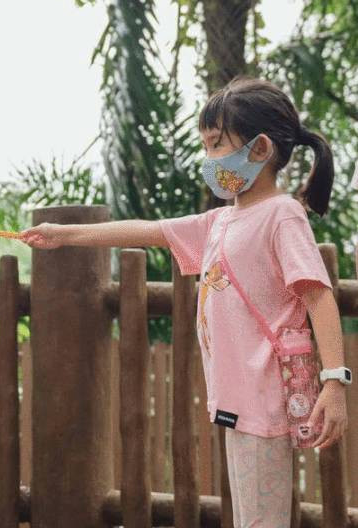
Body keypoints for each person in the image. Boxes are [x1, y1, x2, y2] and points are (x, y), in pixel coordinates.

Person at [19, 75, 347, 528]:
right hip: (240, 396)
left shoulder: (281, 215)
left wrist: (335, 384)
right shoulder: (220, 221)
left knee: (260, 521)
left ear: (259, 149)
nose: (208, 159)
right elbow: (148, 230)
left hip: (267, 394)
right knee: (252, 518)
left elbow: (318, 296)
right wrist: (64, 235)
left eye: (215, 144)